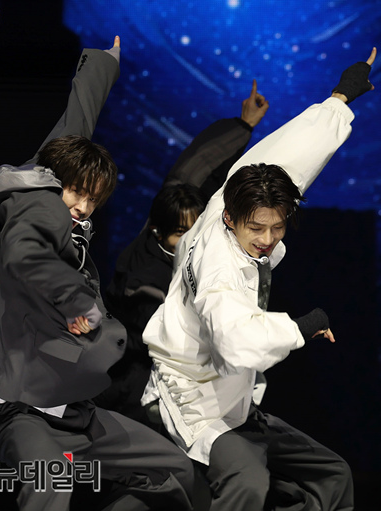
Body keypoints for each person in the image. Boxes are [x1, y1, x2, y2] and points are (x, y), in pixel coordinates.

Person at [0, 36, 195, 510]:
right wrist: (77, 301)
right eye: (75, 194)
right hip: (20, 411)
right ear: (52, 181)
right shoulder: (34, 208)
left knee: (173, 470)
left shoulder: (61, 199)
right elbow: (27, 255)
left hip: (75, 412)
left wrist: (103, 65)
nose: (81, 207)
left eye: (92, 200)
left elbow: (74, 127)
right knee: (51, 482)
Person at [141, 49, 378, 510]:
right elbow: (238, 340)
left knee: (332, 475)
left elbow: (289, 155)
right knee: (248, 482)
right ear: (231, 219)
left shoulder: (233, 193)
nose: (268, 239)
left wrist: (340, 98)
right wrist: (303, 326)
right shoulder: (219, 269)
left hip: (233, 394)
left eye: (278, 227)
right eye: (257, 229)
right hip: (193, 401)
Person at [98, 81, 270, 426]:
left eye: (194, 231)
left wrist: (243, 125)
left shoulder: (183, 220)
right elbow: (166, 340)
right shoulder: (142, 279)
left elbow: (196, 167)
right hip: (137, 388)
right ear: (157, 231)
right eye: (180, 234)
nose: (190, 241)